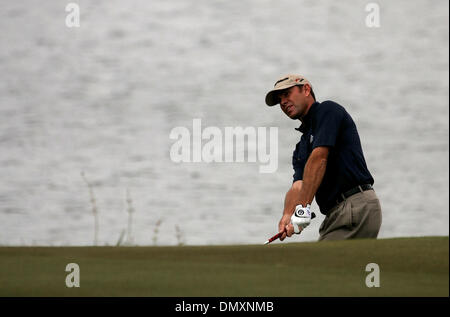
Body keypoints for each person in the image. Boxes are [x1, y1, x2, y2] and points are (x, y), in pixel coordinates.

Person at [265, 74, 382, 241]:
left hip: (355, 205)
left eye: (287, 94)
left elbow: (319, 158)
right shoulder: (301, 147)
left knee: (319, 262)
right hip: (337, 213)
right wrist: (287, 215)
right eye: (279, 99)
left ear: (306, 89)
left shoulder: (327, 111)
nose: (282, 102)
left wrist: (302, 210)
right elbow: (299, 186)